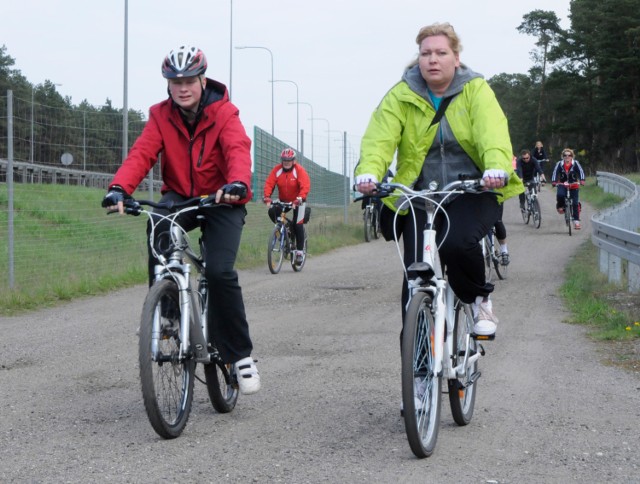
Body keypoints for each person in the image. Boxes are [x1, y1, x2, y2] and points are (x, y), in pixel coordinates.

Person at [101, 45, 260, 395]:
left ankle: (240, 355)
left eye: (189, 80)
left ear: (203, 80)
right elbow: (142, 153)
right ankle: (168, 313)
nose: (182, 87)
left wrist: (237, 184)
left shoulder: (225, 113)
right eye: (175, 82)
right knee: (157, 224)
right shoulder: (161, 116)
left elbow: (237, 150)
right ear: (168, 85)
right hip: (181, 198)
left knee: (219, 271)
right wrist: (118, 188)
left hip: (223, 198)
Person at [354, 22, 523, 337]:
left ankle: (478, 300)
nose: (432, 59)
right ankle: (418, 357)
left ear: (456, 58)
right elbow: (379, 140)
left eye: (441, 52)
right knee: (415, 275)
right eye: (425, 53)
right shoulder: (401, 95)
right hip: (418, 194)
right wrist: (369, 172)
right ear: (418, 58)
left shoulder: (476, 90)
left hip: (471, 189)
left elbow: (492, 134)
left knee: (458, 245)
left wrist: (495, 166)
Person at [263, 148, 311, 264]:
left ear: (294, 160)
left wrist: (300, 198)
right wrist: (267, 197)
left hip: (298, 201)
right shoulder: (277, 170)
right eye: (284, 160)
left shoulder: (299, 170)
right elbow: (269, 183)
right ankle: (286, 228)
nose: (286, 162)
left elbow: (305, 185)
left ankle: (299, 252)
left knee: (298, 224)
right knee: (272, 212)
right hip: (283, 200)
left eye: (289, 160)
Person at [551, 148, 585, 230]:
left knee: (575, 203)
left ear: (572, 156)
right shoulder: (559, 164)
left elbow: (581, 172)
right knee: (560, 195)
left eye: (569, 155)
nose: (567, 157)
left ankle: (576, 222)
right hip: (562, 184)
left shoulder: (575, 163)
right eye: (565, 155)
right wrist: (554, 181)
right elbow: (555, 172)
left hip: (573, 185)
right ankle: (560, 206)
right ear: (562, 156)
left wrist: (582, 180)